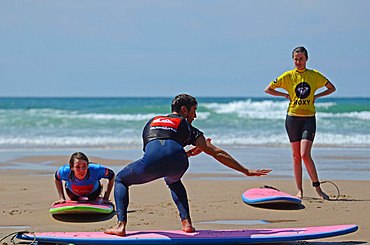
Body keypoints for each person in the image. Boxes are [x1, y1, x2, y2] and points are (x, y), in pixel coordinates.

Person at [105, 94, 271, 236]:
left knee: (121, 180)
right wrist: (245, 170)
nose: (195, 116)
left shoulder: (152, 121)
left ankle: (120, 226)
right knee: (173, 180)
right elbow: (216, 152)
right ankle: (187, 224)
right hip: (179, 162)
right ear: (184, 110)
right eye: (194, 111)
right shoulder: (188, 127)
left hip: (153, 161)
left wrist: (181, 154)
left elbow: (158, 155)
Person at [265, 46, 336, 200]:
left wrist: (317, 96)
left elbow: (331, 88)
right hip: (292, 119)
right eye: (296, 59)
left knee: (304, 154)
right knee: (296, 156)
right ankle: (299, 191)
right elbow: (268, 89)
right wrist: (284, 94)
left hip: (308, 119)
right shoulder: (288, 76)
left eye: (301, 59)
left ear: (306, 59)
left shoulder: (314, 75)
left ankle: (318, 189)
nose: (298, 62)